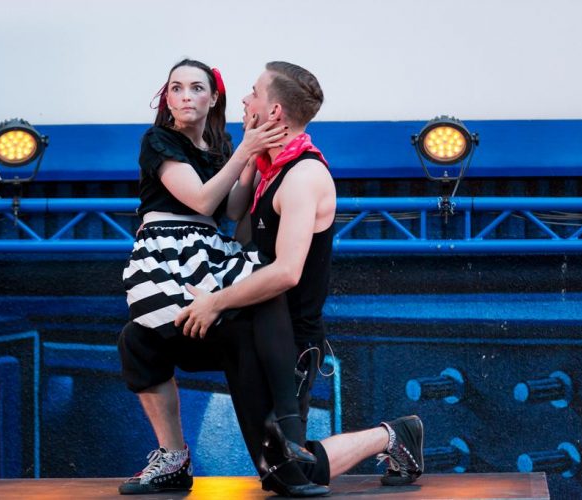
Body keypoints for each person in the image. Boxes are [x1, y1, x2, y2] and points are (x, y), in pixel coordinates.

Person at [175, 61, 425, 495]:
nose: (244, 100)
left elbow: (287, 272)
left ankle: (393, 436)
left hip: (290, 339)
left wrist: (214, 302)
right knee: (275, 473)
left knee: (292, 472)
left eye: (254, 92)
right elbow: (233, 212)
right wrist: (249, 154)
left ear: (273, 111)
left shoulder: (304, 176)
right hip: (253, 325)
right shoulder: (268, 167)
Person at [118, 58, 326, 495]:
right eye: (176, 88)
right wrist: (246, 152)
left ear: (214, 99)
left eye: (197, 88)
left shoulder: (227, 148)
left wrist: (246, 158)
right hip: (169, 255)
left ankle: (281, 451)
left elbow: (231, 209)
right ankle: (176, 456)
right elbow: (200, 200)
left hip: (207, 251)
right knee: (138, 338)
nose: (185, 97)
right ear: (166, 98)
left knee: (259, 295)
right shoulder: (158, 140)